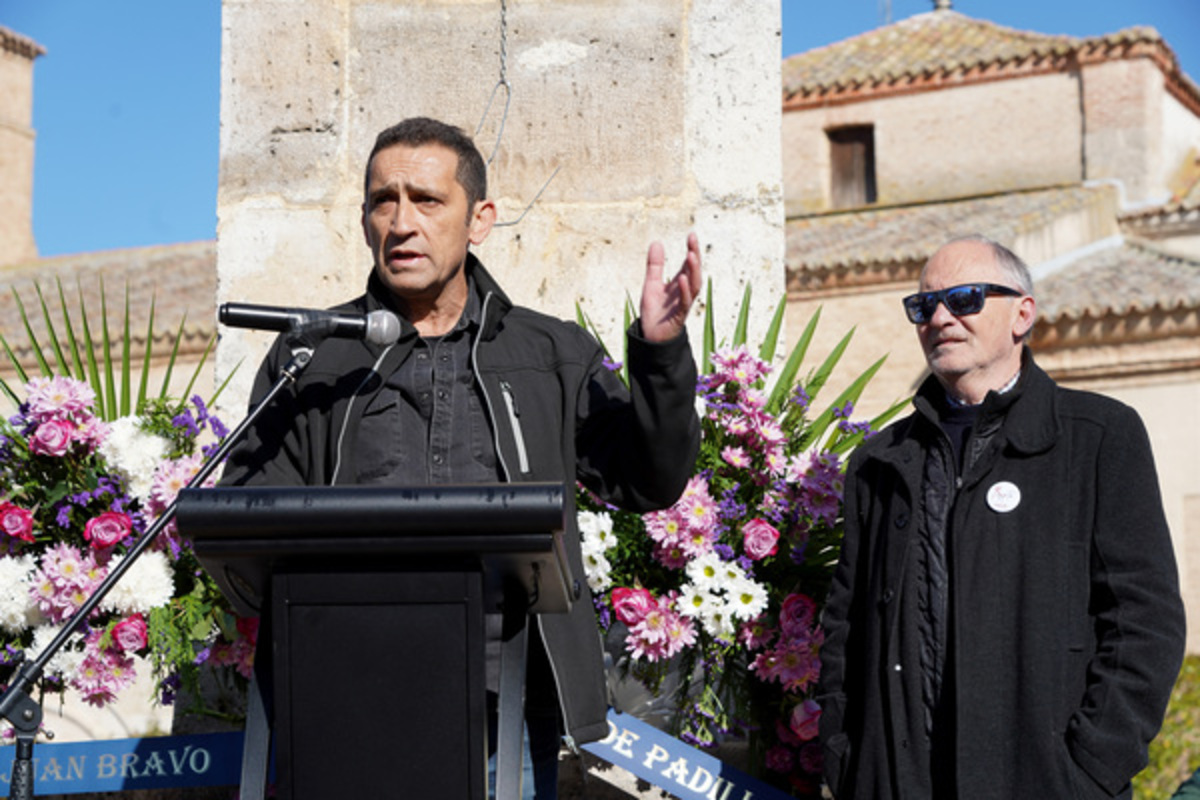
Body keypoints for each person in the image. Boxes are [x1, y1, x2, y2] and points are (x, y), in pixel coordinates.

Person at [220, 117, 703, 797]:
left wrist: (658, 357)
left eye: (427, 199)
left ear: (479, 220)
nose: (402, 222)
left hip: (500, 706)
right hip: (342, 693)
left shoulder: (551, 354)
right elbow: (247, 510)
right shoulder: (313, 357)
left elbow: (649, 479)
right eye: (382, 201)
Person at [816, 234, 1186, 799]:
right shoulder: (880, 462)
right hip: (898, 781)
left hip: (1046, 779)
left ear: (1022, 314)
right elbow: (845, 627)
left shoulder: (1099, 436)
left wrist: (1093, 764)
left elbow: (1145, 618)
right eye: (923, 306)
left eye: (963, 298)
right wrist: (846, 757)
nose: (939, 317)